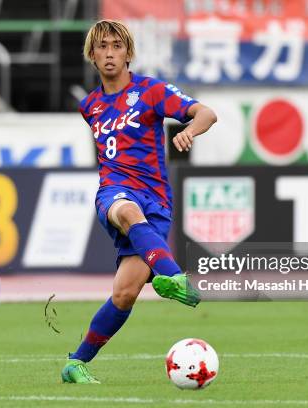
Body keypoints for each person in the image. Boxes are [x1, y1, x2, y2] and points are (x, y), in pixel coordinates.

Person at [61, 20, 217, 384]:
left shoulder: (151, 91)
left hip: (156, 202)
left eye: (117, 46)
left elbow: (206, 113)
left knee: (125, 294)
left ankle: (76, 363)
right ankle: (173, 276)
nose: (110, 53)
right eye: (102, 47)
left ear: (128, 53)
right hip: (114, 192)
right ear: (93, 55)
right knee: (126, 210)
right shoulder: (90, 106)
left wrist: (189, 132)